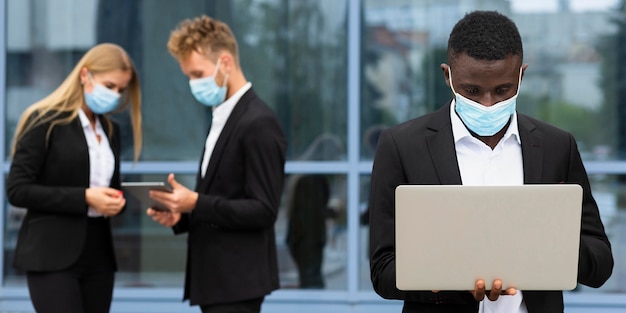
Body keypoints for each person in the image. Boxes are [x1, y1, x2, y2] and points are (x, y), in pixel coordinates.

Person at [368, 11, 614, 313]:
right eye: (472, 91)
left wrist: (545, 244)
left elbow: (600, 263)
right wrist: (450, 278)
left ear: (521, 76)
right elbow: (382, 270)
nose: (488, 104)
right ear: (448, 76)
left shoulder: (556, 146)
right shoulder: (402, 146)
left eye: (502, 90)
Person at [146, 15, 287, 313]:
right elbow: (224, 195)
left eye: (197, 74)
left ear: (225, 62)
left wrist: (195, 202)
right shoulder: (222, 116)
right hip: (216, 282)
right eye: (188, 76)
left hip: (237, 282)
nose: (193, 83)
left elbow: (264, 209)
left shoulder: (259, 122)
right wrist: (181, 215)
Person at [6, 43, 142, 313]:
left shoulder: (110, 129)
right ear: (85, 76)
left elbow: (108, 188)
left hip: (99, 255)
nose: (115, 95)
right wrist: (84, 197)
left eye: (121, 90)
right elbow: (18, 190)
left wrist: (121, 202)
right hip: (52, 254)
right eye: (109, 85)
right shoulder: (44, 121)